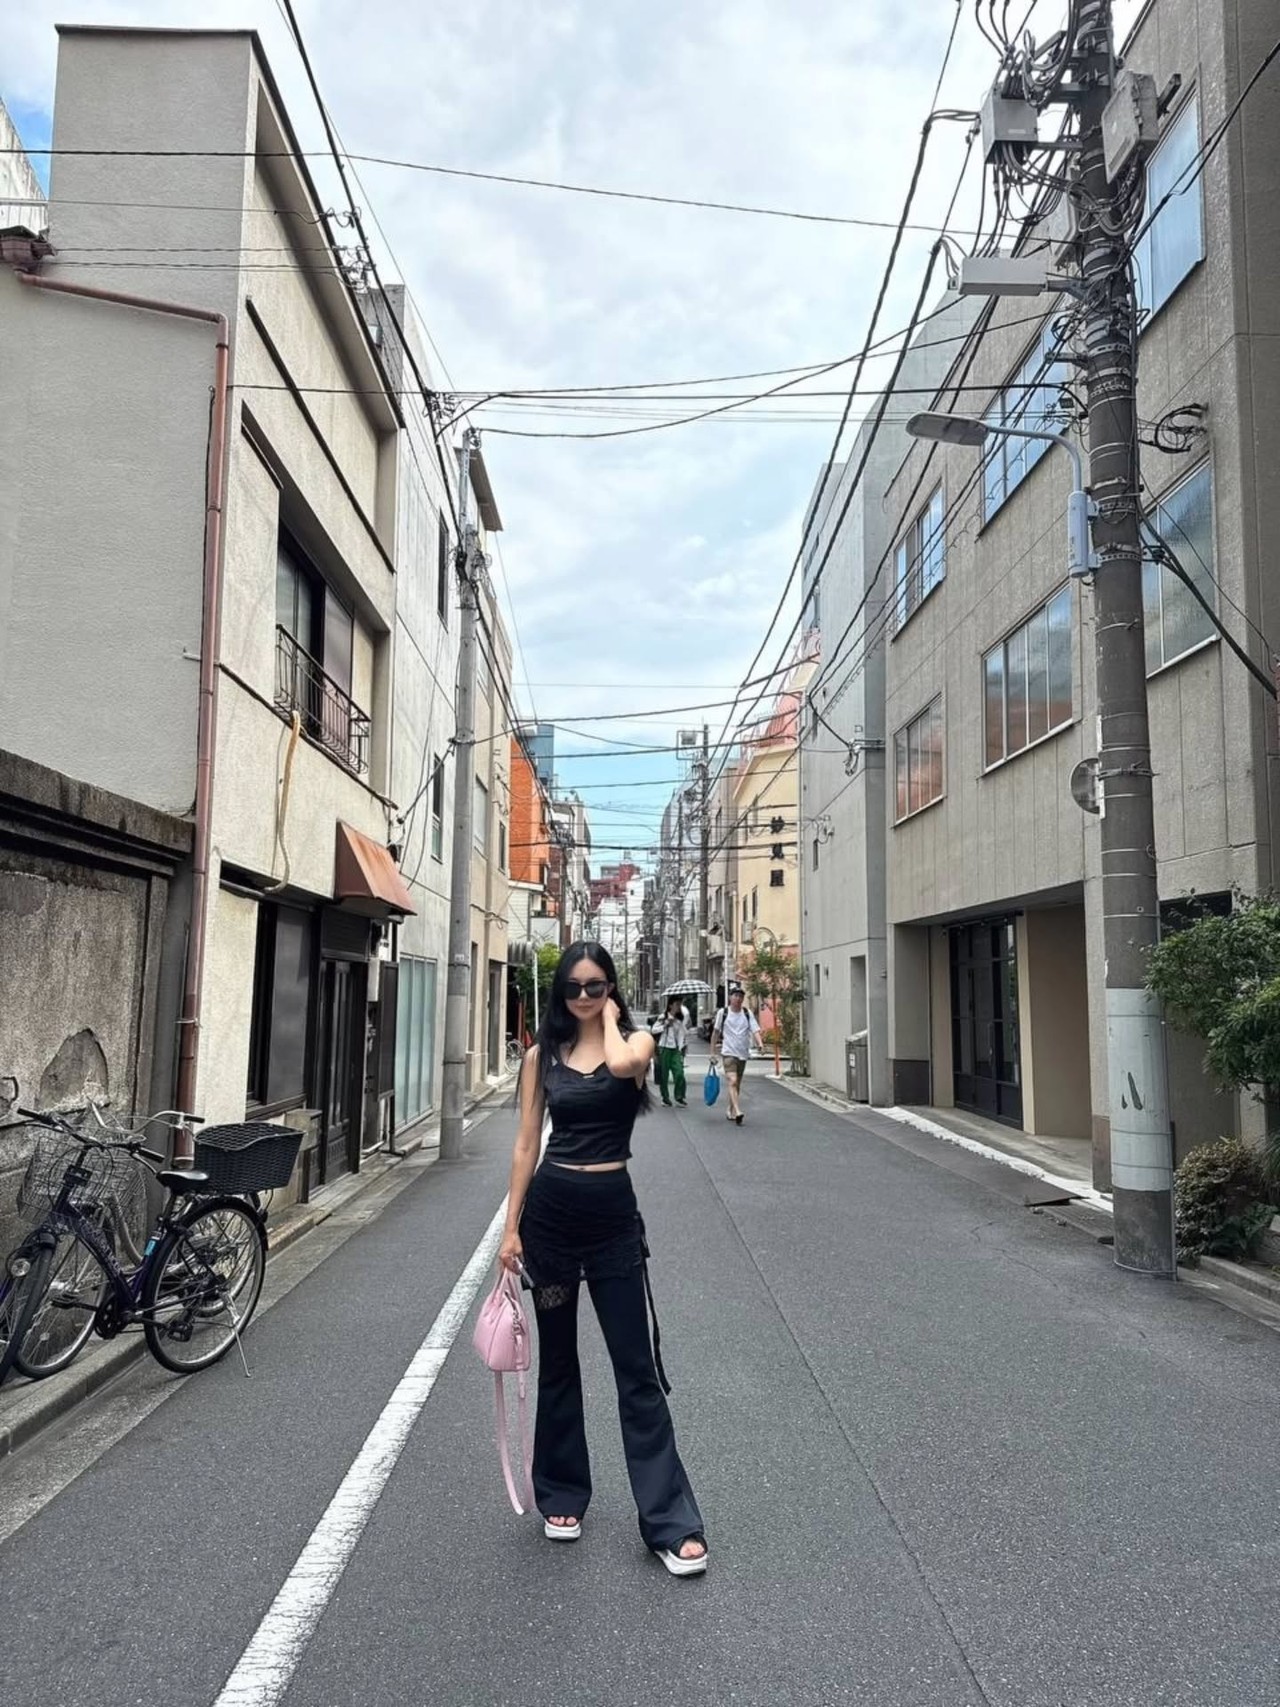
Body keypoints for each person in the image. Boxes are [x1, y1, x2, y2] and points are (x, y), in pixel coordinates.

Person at [499, 942, 708, 1576]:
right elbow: (526, 1145)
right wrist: (510, 1230)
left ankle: (670, 1521)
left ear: (611, 988)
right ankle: (562, 1494)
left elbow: (620, 1065)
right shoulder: (541, 1056)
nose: (584, 996)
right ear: (559, 992)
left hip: (613, 1220)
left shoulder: (637, 1044)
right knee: (559, 1361)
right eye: (574, 987)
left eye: (596, 986)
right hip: (552, 1221)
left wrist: (612, 1018)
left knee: (636, 1368)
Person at [710, 984, 763, 1125]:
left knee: (737, 1083)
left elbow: (755, 1029)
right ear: (730, 998)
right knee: (732, 1081)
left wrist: (760, 1043)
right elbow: (715, 1033)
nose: (738, 999)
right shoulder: (723, 1013)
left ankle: (731, 1108)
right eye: (736, 996)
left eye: (741, 996)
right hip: (728, 1052)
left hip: (742, 1053)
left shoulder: (747, 1013)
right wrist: (712, 1053)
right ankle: (738, 1111)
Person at [652, 996, 688, 1107]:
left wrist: (681, 1048)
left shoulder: (679, 1019)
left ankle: (679, 1096)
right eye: (677, 1004)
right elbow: (654, 1030)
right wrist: (666, 1024)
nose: (678, 1007)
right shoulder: (663, 1017)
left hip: (675, 1049)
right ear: (670, 1005)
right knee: (664, 1075)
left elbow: (681, 1034)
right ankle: (665, 1098)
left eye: (680, 1004)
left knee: (679, 1073)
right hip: (664, 1048)